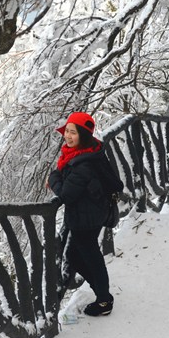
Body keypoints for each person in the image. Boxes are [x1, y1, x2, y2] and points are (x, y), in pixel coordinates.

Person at [47, 112, 115, 316]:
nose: (67, 136)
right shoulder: (89, 151)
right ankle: (102, 294)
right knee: (77, 257)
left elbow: (66, 194)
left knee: (91, 259)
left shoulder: (83, 163)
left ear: (83, 135)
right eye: (67, 131)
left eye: (73, 133)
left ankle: (104, 300)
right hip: (91, 213)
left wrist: (53, 178)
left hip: (85, 219)